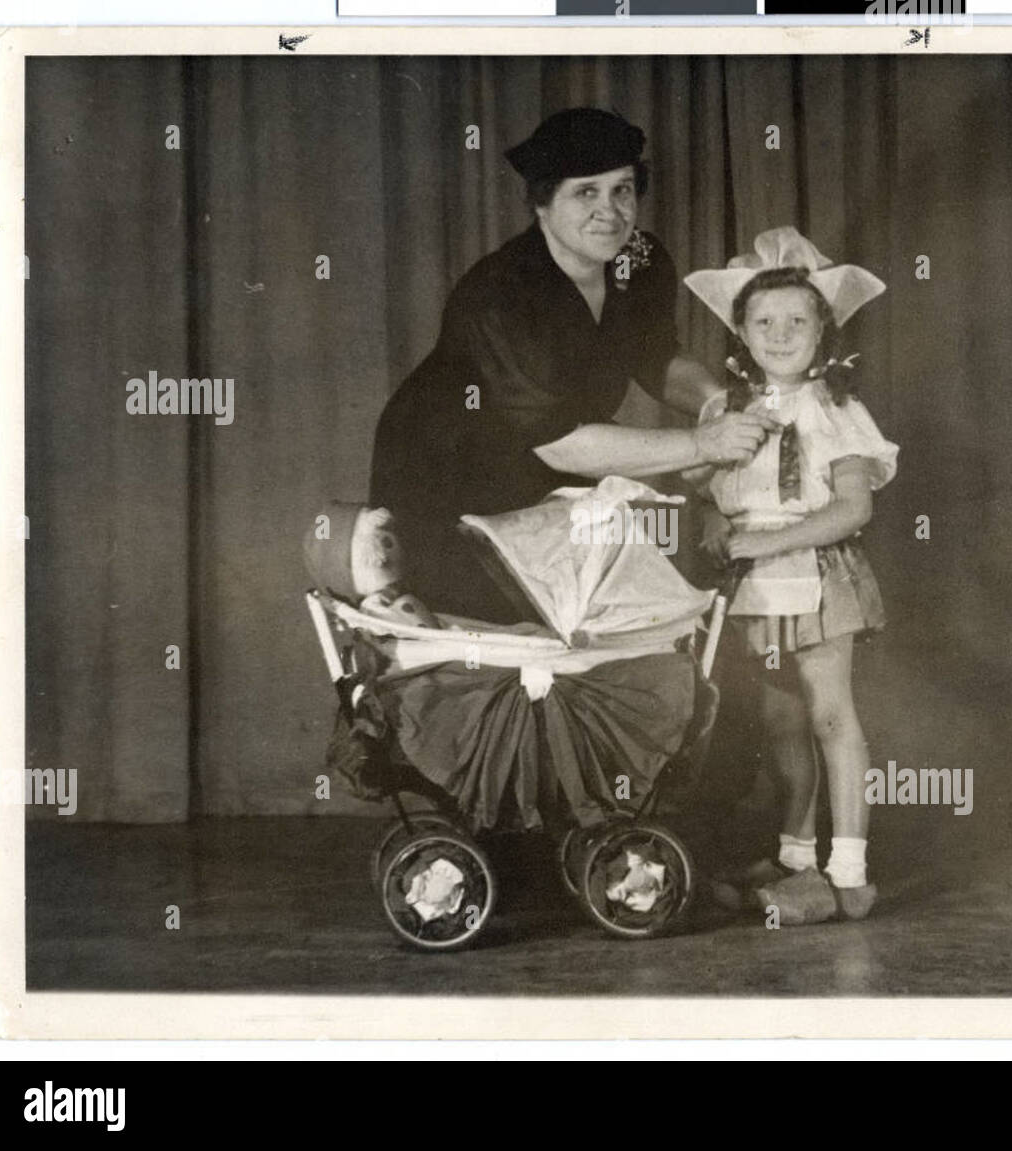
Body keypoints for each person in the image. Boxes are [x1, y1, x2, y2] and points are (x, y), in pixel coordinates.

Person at [370, 107, 773, 621]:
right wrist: (701, 443)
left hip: (553, 468)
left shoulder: (640, 260)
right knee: (501, 633)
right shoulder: (500, 293)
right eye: (587, 192)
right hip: (449, 478)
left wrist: (717, 401)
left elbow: (655, 354)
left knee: (601, 614)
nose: (611, 211)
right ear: (543, 203)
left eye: (623, 190)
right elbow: (559, 442)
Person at [683, 226, 898, 924]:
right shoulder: (725, 411)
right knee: (782, 722)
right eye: (764, 321)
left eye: (796, 321)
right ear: (741, 332)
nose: (780, 334)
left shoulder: (833, 407)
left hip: (816, 573)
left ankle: (852, 871)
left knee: (832, 714)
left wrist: (756, 543)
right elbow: (711, 494)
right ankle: (797, 854)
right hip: (755, 583)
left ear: (823, 329)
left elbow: (853, 507)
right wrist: (722, 531)